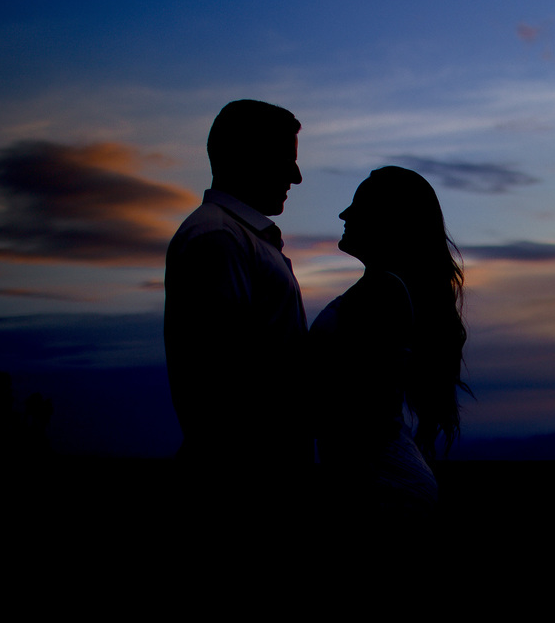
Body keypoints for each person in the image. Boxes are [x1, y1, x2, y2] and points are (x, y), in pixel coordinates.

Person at [310, 166, 470, 513]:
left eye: (358, 205)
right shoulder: (381, 289)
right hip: (377, 480)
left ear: (387, 220)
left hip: (382, 487)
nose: (344, 214)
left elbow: (352, 402)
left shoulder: (383, 292)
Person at [164, 99, 310, 467]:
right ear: (248, 156)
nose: (296, 176)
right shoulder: (219, 238)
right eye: (285, 159)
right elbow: (219, 379)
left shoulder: (234, 237)